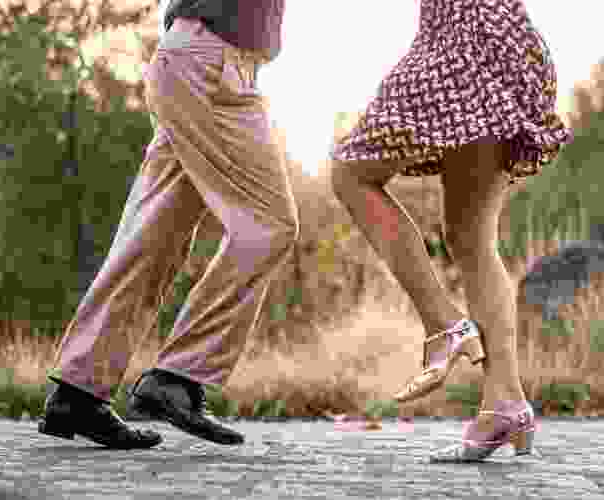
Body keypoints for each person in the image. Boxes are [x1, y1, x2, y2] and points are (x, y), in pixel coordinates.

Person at [39, 0, 298, 448]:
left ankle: (78, 390)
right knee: (269, 223)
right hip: (212, 68)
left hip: (190, 59)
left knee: (155, 235)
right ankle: (180, 375)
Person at [329, 0, 571, 462]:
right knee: (470, 237)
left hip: (463, 40)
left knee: (352, 175)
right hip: (506, 41)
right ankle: (505, 401)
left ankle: (443, 324)